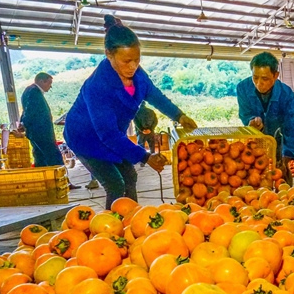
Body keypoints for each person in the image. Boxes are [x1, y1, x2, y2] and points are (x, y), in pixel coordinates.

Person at [64, 15, 197, 207]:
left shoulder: (138, 74)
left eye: (137, 60)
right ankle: (114, 228)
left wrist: (179, 115)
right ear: (109, 54)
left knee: (130, 177)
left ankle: (132, 221)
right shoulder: (98, 86)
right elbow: (108, 135)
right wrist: (145, 156)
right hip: (85, 138)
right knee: (115, 184)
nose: (133, 66)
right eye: (126, 61)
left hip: (112, 134)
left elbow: (153, 94)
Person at [237, 52, 294, 185]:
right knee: (255, 178)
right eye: (255, 77)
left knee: (281, 178)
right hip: (255, 140)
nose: (259, 83)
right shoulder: (243, 88)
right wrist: (250, 121)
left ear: (275, 75)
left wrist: (286, 157)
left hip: (278, 140)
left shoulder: (286, 94)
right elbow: (245, 113)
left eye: (265, 79)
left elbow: (293, 126)